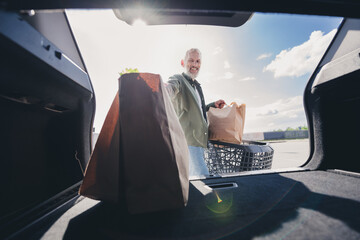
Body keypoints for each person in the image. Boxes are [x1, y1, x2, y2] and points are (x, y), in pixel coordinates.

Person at [166, 48, 226, 176]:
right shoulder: (178, 79)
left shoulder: (196, 86)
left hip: (199, 141)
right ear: (183, 63)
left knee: (193, 181)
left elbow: (197, 109)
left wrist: (212, 105)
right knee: (202, 178)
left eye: (198, 61)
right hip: (188, 141)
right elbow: (170, 87)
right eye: (191, 60)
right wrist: (163, 89)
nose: (194, 64)